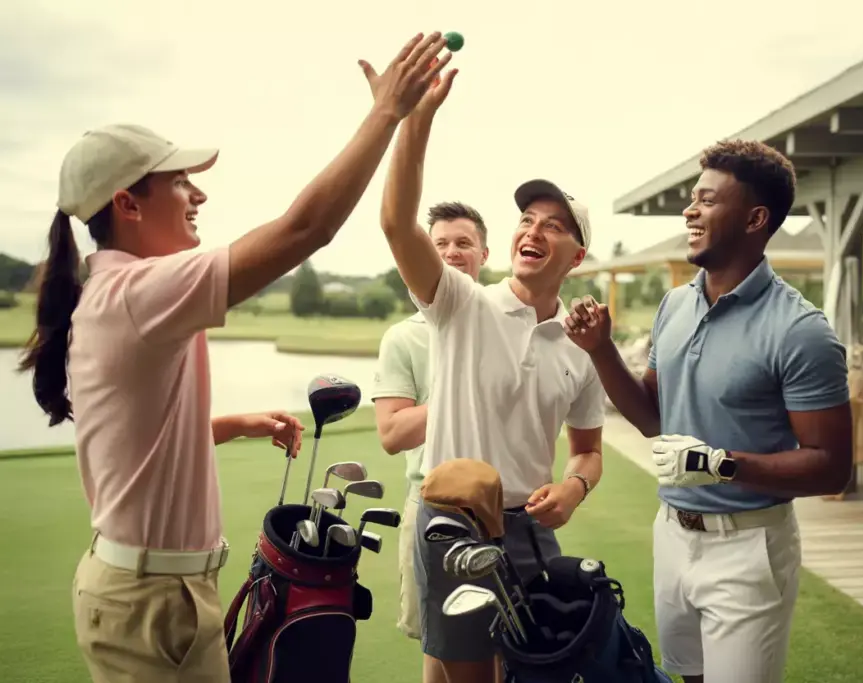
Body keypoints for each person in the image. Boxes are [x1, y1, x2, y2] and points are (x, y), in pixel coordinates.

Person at [18, 32, 450, 683]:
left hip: (161, 592)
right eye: (180, 182)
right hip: (149, 602)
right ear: (127, 204)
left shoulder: (122, 292)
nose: (198, 196)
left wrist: (233, 424)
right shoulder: (137, 292)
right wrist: (387, 113)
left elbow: (139, 444)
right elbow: (305, 228)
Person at [359, 35, 607, 683]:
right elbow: (396, 223)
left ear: (577, 256)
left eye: (553, 225)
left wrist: (575, 487)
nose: (533, 230)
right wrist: (418, 120)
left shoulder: (580, 348)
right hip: (455, 523)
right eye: (527, 218)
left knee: (537, 670)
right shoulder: (461, 302)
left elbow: (587, 450)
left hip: (532, 532)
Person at [562, 139, 853, 683]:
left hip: (749, 547)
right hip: (672, 532)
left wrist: (718, 464)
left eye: (707, 200)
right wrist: (600, 350)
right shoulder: (675, 304)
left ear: (755, 219)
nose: (689, 211)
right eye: (692, 199)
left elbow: (832, 467)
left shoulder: (801, 331)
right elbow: (653, 418)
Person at [369, 201, 490, 650]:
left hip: (506, 507)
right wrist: (463, 392)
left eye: (464, 243)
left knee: (509, 641)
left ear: (484, 254)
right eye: (440, 244)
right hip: (432, 504)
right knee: (438, 645)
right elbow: (392, 434)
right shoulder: (403, 337)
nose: (452, 252)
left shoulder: (508, 323)